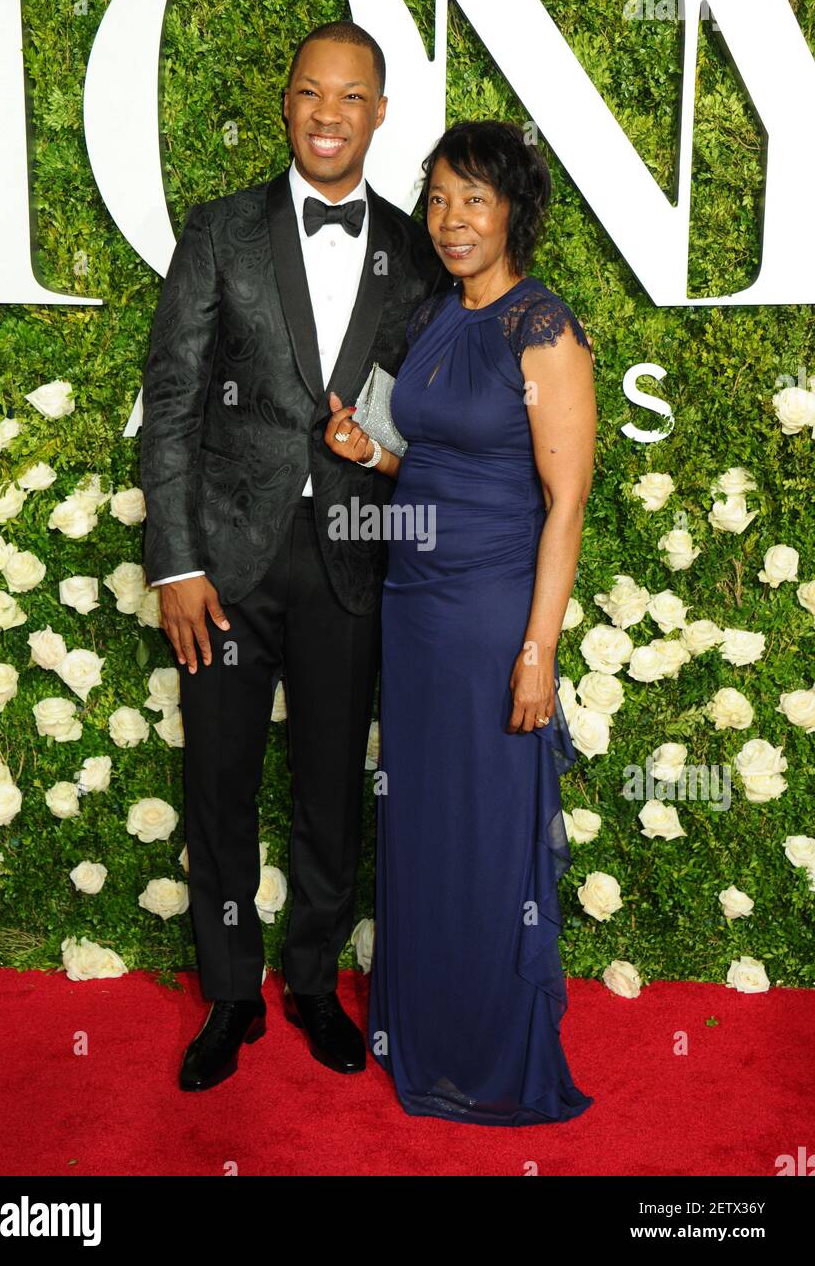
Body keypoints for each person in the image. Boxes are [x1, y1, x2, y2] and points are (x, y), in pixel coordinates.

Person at [140, 21, 442, 1092]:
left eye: (349, 96)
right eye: (309, 92)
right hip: (223, 566)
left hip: (355, 558)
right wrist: (175, 562)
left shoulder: (416, 248)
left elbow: (436, 414)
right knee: (217, 779)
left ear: (379, 112)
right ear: (285, 102)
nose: (327, 113)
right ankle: (230, 991)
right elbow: (171, 401)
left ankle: (311, 978)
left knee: (331, 783)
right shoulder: (220, 230)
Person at [324, 119, 597, 1125]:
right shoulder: (440, 315)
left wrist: (538, 653)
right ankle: (422, 1032)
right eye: (437, 198)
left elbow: (560, 502)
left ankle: (486, 1052)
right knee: (425, 828)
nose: (449, 220)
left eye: (473, 199)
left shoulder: (545, 330)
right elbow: (437, 466)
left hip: (490, 619)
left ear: (514, 209)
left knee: (484, 837)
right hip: (416, 612)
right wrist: (370, 456)